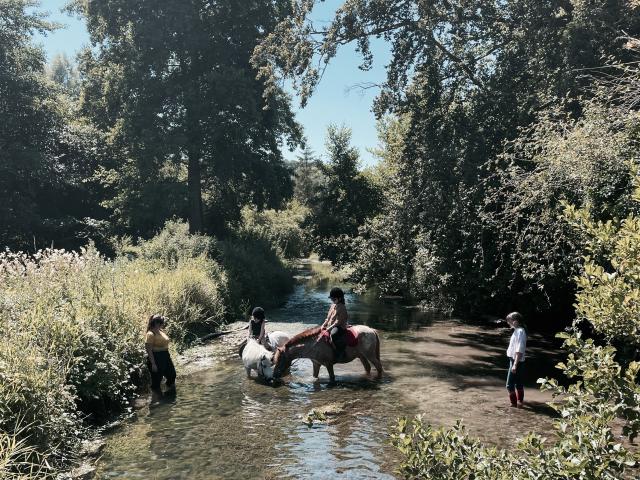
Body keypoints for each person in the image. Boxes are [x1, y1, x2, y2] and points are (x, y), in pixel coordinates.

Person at [145, 314, 176, 395]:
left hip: (165, 355)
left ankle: (168, 393)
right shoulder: (150, 334)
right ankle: (156, 400)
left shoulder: (161, 331)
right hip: (156, 357)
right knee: (157, 380)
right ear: (156, 323)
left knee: (172, 375)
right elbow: (149, 350)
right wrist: (153, 364)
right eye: (161, 322)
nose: (163, 324)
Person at [505, 311, 527, 407]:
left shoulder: (520, 332)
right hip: (515, 360)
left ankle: (514, 405)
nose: (508, 322)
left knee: (509, 385)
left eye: (509, 320)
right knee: (519, 383)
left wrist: (515, 364)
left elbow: (519, 349)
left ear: (516, 321)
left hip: (516, 361)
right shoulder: (517, 330)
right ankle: (520, 403)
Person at [321, 287, 349, 360]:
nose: (332, 300)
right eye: (331, 299)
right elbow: (328, 318)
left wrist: (329, 328)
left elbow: (338, 322)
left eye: (334, 299)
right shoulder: (332, 306)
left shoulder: (342, 307)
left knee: (334, 334)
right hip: (331, 325)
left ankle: (340, 352)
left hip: (339, 326)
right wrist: (323, 325)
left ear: (339, 298)